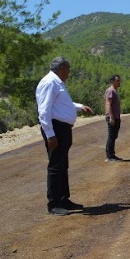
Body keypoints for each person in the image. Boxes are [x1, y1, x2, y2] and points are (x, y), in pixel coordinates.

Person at [35, 56, 94, 216]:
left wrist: (79, 106)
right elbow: (44, 111)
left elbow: (62, 105)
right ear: (62, 69)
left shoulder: (57, 83)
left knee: (62, 165)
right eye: (68, 70)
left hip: (62, 128)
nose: (69, 73)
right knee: (55, 166)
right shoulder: (49, 83)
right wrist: (50, 134)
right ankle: (54, 204)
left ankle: (63, 199)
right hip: (55, 129)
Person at [104, 74, 123, 162]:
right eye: (117, 80)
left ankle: (112, 155)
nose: (119, 82)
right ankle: (109, 156)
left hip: (116, 117)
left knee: (114, 136)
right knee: (111, 136)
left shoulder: (114, 91)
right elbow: (108, 104)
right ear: (112, 81)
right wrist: (111, 117)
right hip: (112, 117)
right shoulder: (110, 91)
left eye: (119, 80)